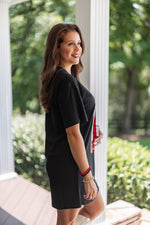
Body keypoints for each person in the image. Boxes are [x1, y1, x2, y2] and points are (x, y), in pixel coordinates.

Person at [40, 23, 104, 225]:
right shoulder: (64, 81)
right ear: (56, 48)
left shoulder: (65, 78)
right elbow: (72, 133)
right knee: (66, 221)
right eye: (70, 44)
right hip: (69, 164)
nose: (78, 49)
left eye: (79, 43)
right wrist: (87, 175)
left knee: (96, 207)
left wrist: (92, 128)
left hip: (72, 159)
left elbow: (70, 121)